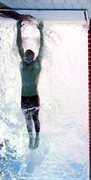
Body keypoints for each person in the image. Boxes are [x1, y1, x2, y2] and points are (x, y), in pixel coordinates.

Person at [16, 20, 44, 149]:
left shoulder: (36, 65)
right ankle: (30, 137)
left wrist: (41, 32)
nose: (26, 57)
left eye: (29, 56)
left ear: (33, 57)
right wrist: (18, 29)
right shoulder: (22, 63)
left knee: (35, 118)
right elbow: (19, 46)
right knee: (27, 119)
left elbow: (41, 48)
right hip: (24, 97)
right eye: (25, 55)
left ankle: (37, 136)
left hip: (33, 97)